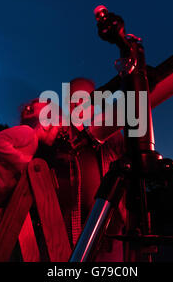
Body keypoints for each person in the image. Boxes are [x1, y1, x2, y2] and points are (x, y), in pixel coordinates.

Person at [36, 77, 126, 261]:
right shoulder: (56, 133)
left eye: (85, 98)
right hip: (63, 232)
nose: (78, 103)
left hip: (107, 231)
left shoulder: (110, 135)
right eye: (73, 98)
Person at [0, 99, 61, 211]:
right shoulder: (28, 133)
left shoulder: (33, 146)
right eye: (57, 128)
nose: (57, 133)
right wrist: (25, 165)